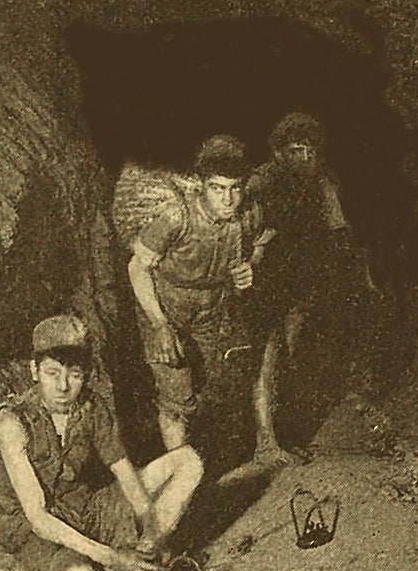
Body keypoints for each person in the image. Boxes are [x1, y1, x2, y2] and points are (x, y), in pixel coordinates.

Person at [0, 314, 203, 571]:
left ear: (86, 374)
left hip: (84, 509)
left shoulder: (92, 407)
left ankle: (139, 564)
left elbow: (127, 477)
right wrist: (116, 559)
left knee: (188, 461)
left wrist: (151, 540)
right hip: (36, 534)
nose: (63, 386)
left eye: (74, 375)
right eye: (52, 373)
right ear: (34, 370)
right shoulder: (11, 423)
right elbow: (38, 517)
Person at [128, 135, 269, 457]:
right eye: (217, 188)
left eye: (235, 188)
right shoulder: (177, 217)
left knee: (207, 386)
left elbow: (262, 239)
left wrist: (251, 265)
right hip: (165, 308)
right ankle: (182, 471)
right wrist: (160, 325)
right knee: (177, 398)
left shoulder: (249, 214)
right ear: (201, 186)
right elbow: (137, 267)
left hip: (212, 312)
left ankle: (190, 456)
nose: (228, 199)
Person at [244, 111, 366, 467]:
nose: (306, 157)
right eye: (297, 150)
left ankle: (284, 435)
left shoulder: (321, 182)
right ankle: (264, 442)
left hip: (300, 283)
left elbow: (337, 228)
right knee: (266, 360)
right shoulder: (262, 180)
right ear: (280, 152)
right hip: (264, 283)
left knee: (293, 358)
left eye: (311, 150)